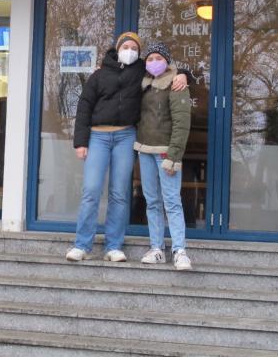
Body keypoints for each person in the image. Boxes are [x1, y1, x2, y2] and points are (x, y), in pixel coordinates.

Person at [66, 32, 188, 262]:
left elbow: (163, 68)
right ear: (118, 48)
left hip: (126, 136)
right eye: (126, 46)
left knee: (120, 193)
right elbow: (84, 106)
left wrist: (183, 74)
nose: (129, 51)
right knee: (91, 191)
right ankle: (82, 245)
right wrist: (80, 142)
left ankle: (114, 246)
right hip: (98, 137)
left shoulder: (141, 71)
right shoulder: (99, 74)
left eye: (134, 48)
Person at [134, 42, 192, 270]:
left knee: (172, 202)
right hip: (145, 151)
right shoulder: (143, 84)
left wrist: (174, 156)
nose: (154, 62)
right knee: (152, 202)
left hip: (166, 152)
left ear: (167, 61)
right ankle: (157, 248)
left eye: (159, 58)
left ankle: (180, 250)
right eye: (150, 58)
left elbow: (182, 123)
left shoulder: (176, 84)